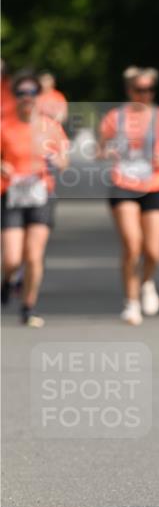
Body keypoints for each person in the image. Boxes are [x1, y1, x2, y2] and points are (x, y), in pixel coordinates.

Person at [98, 66, 159, 325]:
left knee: (154, 251)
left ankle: (146, 282)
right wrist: (107, 152)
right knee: (132, 245)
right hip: (123, 185)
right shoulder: (115, 117)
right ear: (129, 90)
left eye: (148, 90)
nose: (144, 95)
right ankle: (131, 302)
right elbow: (100, 147)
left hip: (154, 184)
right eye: (139, 90)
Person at [1, 71, 69, 326]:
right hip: (11, 195)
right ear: (15, 96)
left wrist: (57, 162)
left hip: (41, 195)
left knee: (33, 255)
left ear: (38, 97)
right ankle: (7, 280)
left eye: (32, 93)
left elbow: (64, 160)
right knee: (11, 258)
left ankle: (28, 306)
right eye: (21, 93)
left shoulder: (50, 127)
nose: (26, 98)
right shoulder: (4, 126)